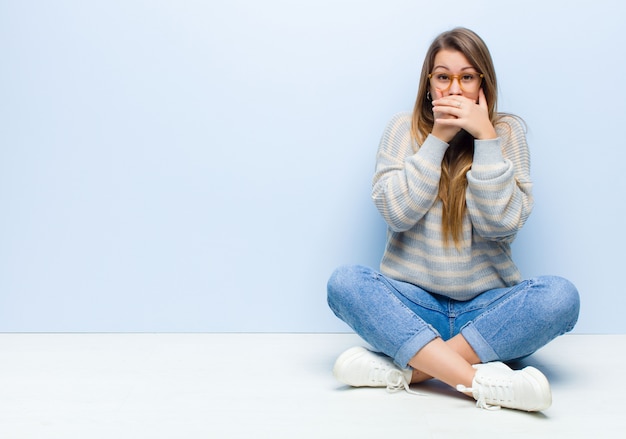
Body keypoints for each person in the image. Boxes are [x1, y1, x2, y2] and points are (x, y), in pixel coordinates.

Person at [326, 27, 580, 412]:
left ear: (483, 83)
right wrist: (437, 140)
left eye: (467, 76)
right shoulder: (402, 128)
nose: (454, 88)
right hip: (412, 306)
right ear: (429, 84)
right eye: (443, 76)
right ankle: (480, 382)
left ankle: (412, 370)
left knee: (561, 297)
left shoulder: (505, 133)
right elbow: (398, 213)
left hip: (485, 313)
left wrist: (485, 139)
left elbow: (501, 225)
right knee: (344, 283)